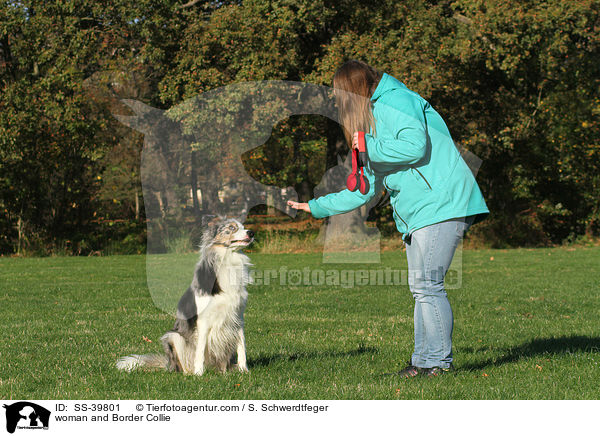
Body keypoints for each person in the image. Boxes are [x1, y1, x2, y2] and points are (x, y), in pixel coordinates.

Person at [287, 59, 489, 377]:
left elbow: (415, 146)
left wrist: (369, 144)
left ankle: (437, 363)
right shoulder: (372, 123)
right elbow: (363, 189)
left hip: (442, 202)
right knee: (420, 286)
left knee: (428, 285)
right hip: (419, 210)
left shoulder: (399, 100)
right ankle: (423, 361)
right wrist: (317, 207)